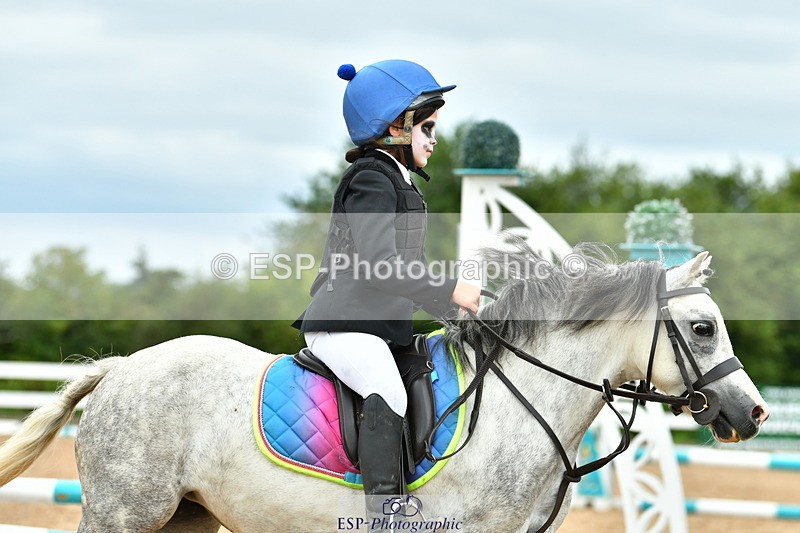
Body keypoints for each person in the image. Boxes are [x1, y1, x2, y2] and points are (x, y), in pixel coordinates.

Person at [292, 59, 481, 518]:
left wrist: (454, 308)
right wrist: (450, 289)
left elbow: (408, 270)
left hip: (377, 326)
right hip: (345, 324)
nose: (434, 140)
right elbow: (380, 266)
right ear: (397, 126)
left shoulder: (398, 179)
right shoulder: (372, 178)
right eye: (427, 128)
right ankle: (385, 516)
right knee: (388, 392)